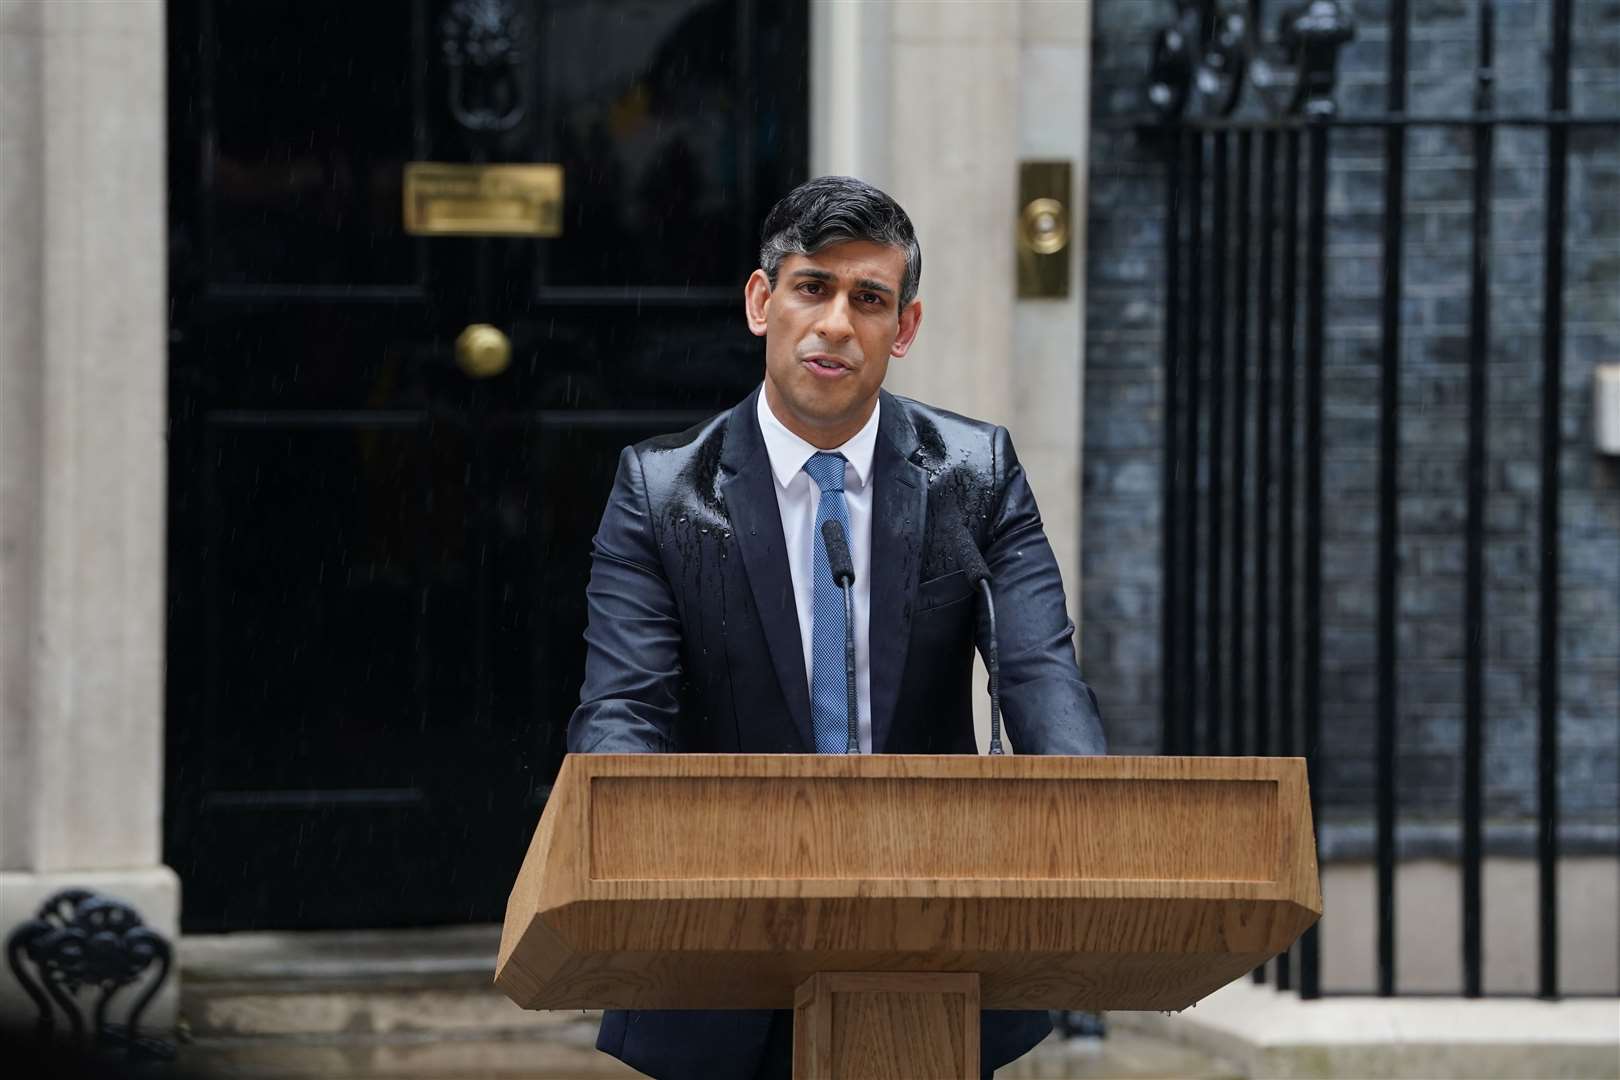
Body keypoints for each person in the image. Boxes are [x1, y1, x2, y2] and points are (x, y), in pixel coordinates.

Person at [566, 175, 1107, 1080]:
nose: (835, 324)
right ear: (760, 301)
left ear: (904, 329)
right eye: (812, 287)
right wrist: (631, 859)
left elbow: (1043, 679)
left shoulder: (975, 474)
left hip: (929, 948)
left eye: (869, 299)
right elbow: (624, 711)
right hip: (718, 947)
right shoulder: (659, 494)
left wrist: (1095, 831)